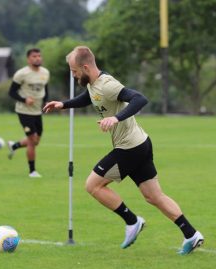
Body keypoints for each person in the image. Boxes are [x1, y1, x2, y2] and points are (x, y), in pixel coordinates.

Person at [43, 46, 204, 254]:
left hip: (130, 148)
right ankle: (191, 234)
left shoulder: (107, 84)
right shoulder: (94, 84)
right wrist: (62, 105)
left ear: (85, 67)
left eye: (74, 71)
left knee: (93, 185)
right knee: (154, 196)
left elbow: (140, 99)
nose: (73, 76)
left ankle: (132, 221)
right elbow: (89, 98)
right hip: (141, 143)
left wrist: (116, 118)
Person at [7, 48, 50, 178]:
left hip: (37, 111)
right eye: (34, 56)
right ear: (28, 59)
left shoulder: (45, 72)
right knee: (32, 141)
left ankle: (14, 145)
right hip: (24, 111)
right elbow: (11, 92)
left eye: (39, 56)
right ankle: (32, 171)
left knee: (36, 141)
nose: (37, 58)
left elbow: (45, 90)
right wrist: (24, 99)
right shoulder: (21, 74)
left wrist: (46, 104)